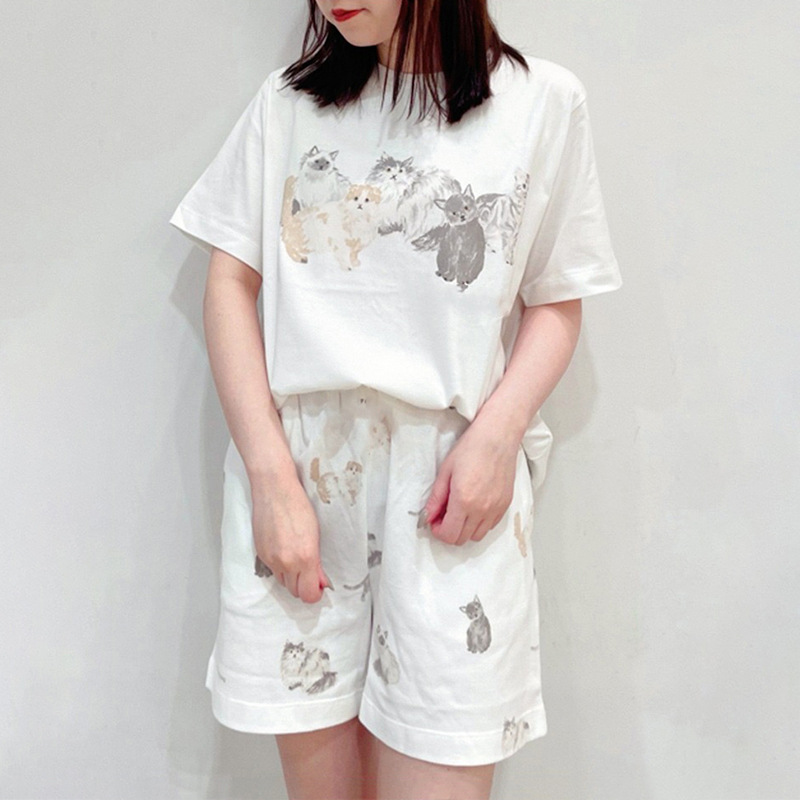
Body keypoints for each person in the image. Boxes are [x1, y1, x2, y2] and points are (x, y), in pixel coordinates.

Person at [169, 1, 622, 797]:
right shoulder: (288, 105)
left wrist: (498, 436)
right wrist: (271, 480)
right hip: (303, 495)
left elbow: (558, 297)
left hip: (451, 495)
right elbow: (229, 282)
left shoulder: (542, 104)